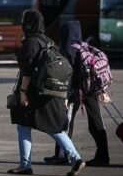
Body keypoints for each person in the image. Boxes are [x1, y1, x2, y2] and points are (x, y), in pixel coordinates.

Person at [8, 10, 85, 176]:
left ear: (28, 24)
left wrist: (22, 93)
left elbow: (27, 71)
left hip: (35, 92)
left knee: (23, 125)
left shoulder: (30, 43)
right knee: (53, 127)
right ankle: (76, 158)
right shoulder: (49, 41)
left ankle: (25, 165)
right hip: (52, 90)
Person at [44, 20, 110, 166]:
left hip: (74, 92)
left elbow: (67, 75)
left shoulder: (68, 49)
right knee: (96, 123)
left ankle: (62, 155)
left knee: (65, 123)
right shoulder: (84, 46)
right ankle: (103, 155)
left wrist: (65, 96)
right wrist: (102, 90)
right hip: (90, 90)